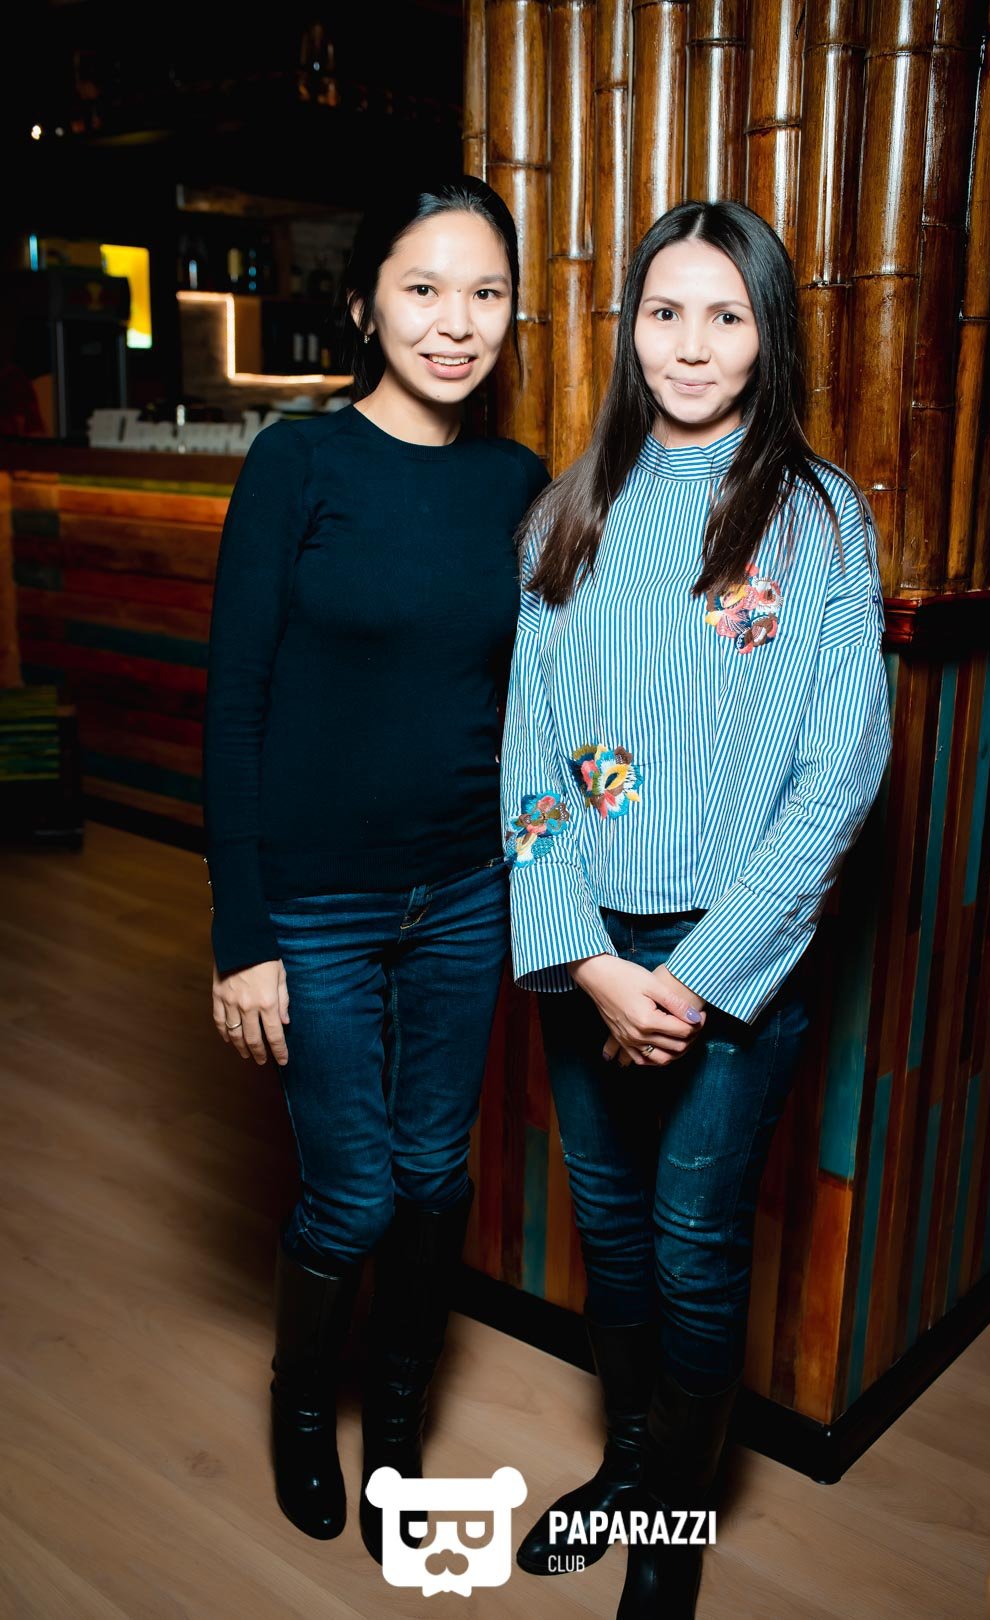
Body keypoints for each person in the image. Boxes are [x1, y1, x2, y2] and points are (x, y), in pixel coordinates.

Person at [501, 199, 892, 1618]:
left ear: (767, 333)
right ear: (632, 330)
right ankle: (627, 1468)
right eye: (665, 312)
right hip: (590, 955)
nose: (690, 343)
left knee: (691, 1246)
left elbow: (842, 769)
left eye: (725, 314)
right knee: (610, 1237)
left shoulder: (820, 517)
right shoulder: (570, 507)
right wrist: (592, 965)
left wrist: (699, 973)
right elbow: (527, 754)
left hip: (733, 970)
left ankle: (668, 1530)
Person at [202, 176, 548, 1556]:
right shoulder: (296, 464)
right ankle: (303, 1403)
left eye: (485, 293)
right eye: (423, 288)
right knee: (353, 1191)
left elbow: (540, 694)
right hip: (317, 904)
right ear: (363, 305)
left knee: (435, 1175)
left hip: (465, 890)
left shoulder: (517, 483)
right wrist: (242, 932)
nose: (455, 323)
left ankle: (397, 1411)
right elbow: (234, 705)